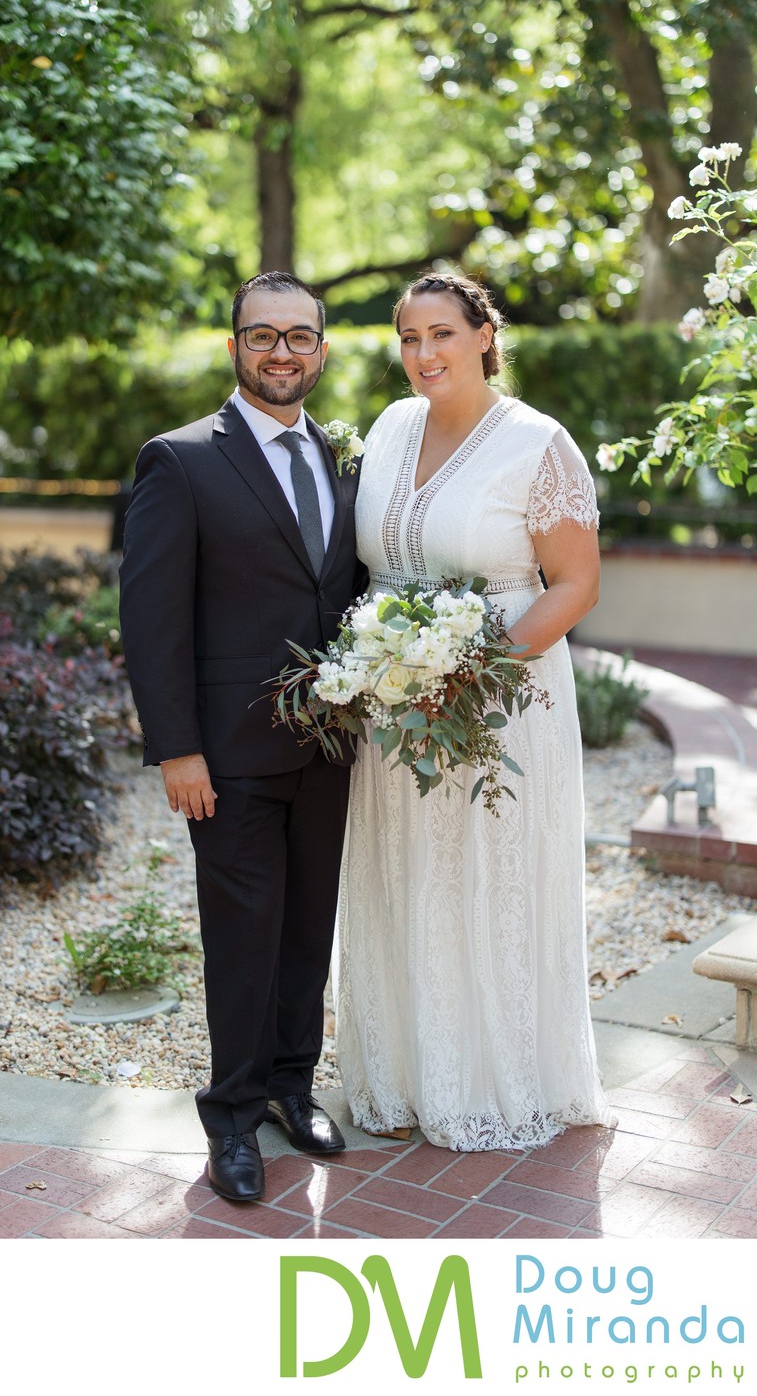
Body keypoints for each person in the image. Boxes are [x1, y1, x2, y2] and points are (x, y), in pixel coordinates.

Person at [333, 271, 613, 1152]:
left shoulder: (537, 444)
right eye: (407, 337)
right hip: (391, 706)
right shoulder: (386, 427)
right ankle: (408, 1073)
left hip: (499, 703)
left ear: (483, 334)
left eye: (441, 334)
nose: (423, 354)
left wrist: (473, 671)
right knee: (402, 873)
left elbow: (574, 583)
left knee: (489, 877)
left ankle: (499, 1079)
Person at [119, 272, 363, 1201]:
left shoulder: (346, 460)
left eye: (300, 337)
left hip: (330, 744)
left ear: (322, 350)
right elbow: (152, 619)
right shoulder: (178, 461)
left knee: (307, 928)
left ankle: (291, 1090)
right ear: (234, 348)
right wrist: (177, 748)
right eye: (263, 337)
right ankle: (230, 1116)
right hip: (225, 755)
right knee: (242, 937)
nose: (282, 354)